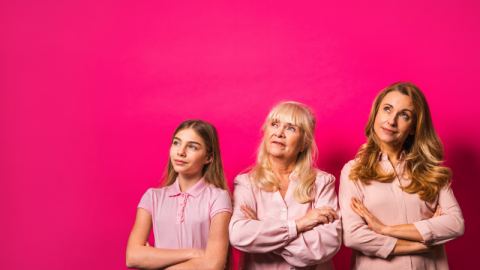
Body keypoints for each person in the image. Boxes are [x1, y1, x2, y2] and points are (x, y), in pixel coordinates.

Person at [339, 82, 465, 269]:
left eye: (404, 115)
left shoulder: (431, 171)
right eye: (387, 109)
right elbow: (353, 236)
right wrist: (419, 245)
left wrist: (384, 230)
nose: (391, 121)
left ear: (414, 127)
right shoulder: (353, 171)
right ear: (376, 114)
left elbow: (455, 224)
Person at [229, 101, 342, 270]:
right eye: (274, 124)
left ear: (304, 143)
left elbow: (327, 245)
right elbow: (238, 235)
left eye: (291, 128)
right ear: (266, 133)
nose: (279, 133)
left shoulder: (322, 182)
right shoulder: (246, 183)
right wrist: (299, 225)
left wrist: (262, 230)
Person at [126, 119, 232, 270]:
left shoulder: (218, 197)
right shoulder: (152, 197)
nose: (180, 152)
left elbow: (213, 264)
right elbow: (132, 257)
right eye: (176, 143)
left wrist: (152, 258)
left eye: (192, 147)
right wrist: (193, 254)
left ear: (208, 157)